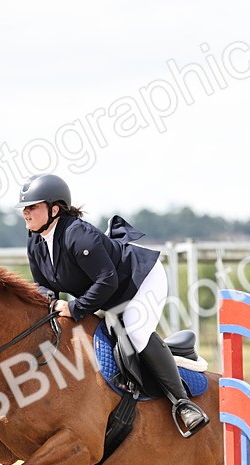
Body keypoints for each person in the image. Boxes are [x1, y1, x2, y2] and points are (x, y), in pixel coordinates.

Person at [16, 173, 209, 437]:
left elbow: (107, 280)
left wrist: (74, 308)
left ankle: (183, 403)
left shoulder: (77, 235)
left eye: (32, 206)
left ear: (55, 208)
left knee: (135, 333)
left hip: (139, 282)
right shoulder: (35, 241)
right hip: (105, 293)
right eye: (24, 208)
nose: (26, 212)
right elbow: (44, 285)